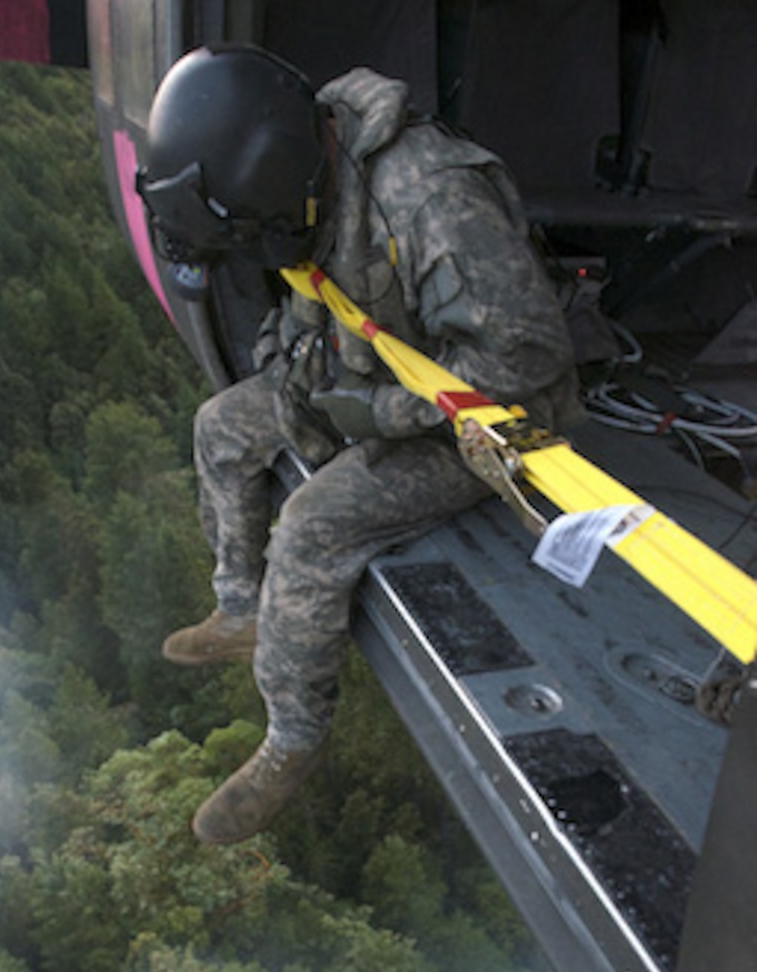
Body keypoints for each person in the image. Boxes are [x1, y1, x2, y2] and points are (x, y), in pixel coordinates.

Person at [136, 43, 581, 845]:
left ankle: (292, 741)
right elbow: (318, 292)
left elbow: (522, 362)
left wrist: (372, 412)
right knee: (222, 427)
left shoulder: (430, 198)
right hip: (365, 371)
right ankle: (241, 608)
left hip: (488, 423)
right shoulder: (316, 168)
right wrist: (303, 379)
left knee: (311, 526)